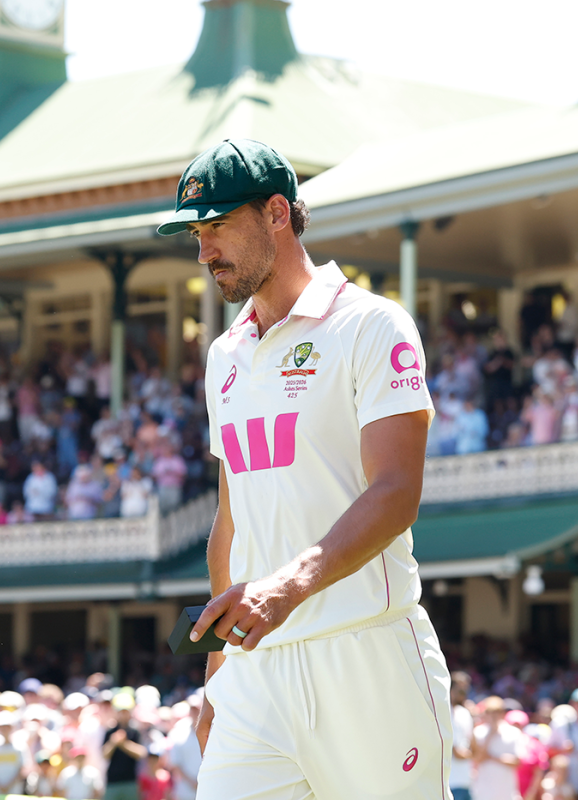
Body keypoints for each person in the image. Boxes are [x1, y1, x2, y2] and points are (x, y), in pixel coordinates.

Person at [166, 139, 450, 798]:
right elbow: (231, 525)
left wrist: (283, 590)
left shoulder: (374, 326)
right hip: (254, 675)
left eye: (217, 227)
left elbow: (396, 493)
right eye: (196, 233)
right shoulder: (224, 356)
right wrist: (217, 674)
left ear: (276, 213)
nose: (204, 251)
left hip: (367, 656)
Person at [100, 693, 144, 800]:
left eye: (126, 712)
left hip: (130, 781)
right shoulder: (110, 732)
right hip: (112, 782)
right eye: (121, 712)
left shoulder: (134, 732)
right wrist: (113, 742)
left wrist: (123, 743)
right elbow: (104, 755)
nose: (123, 715)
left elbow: (141, 753)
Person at [448, 673, 475, 800]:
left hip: (466, 781)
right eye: (460, 689)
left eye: (465, 689)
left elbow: (474, 747)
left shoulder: (465, 713)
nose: (463, 693)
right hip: (449, 782)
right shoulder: (441, 712)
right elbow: (457, 753)